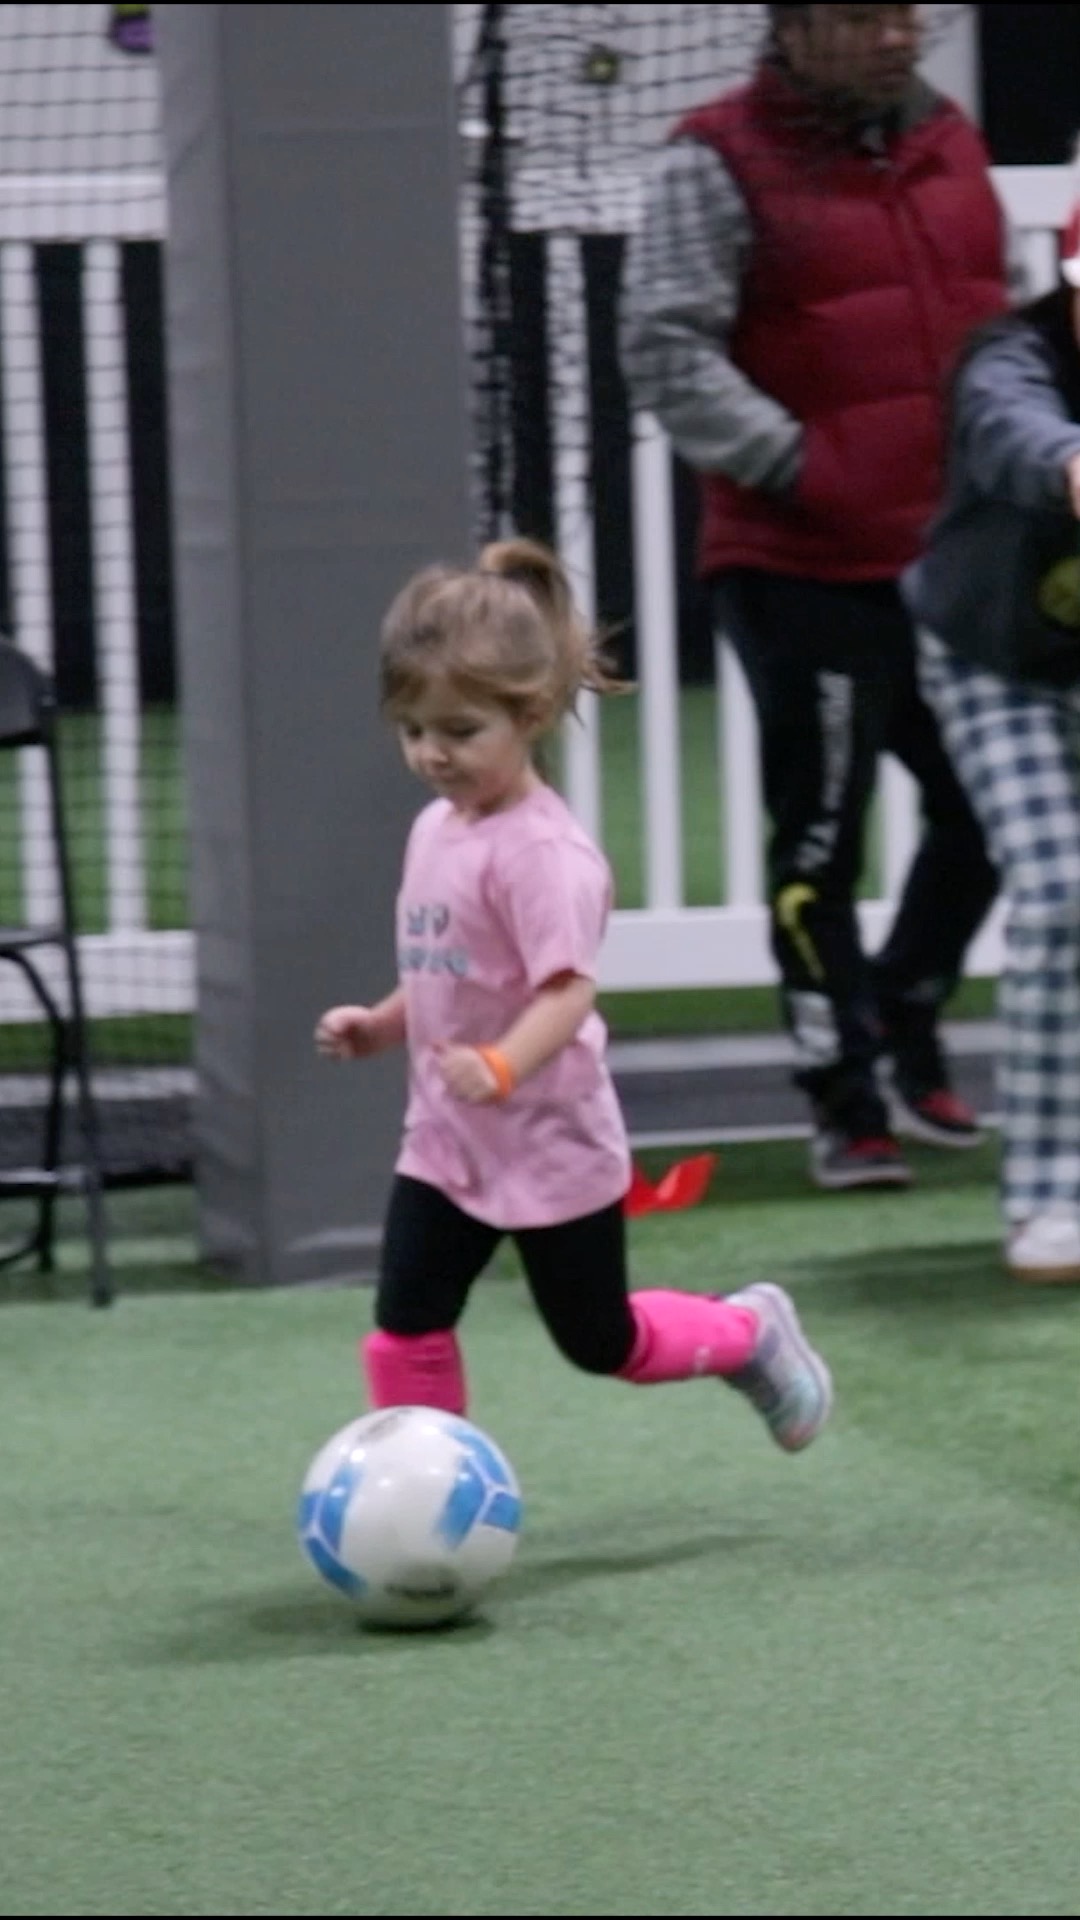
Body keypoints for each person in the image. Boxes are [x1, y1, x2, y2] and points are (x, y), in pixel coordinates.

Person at [619, 2, 1021, 1191]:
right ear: (793, 29)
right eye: (862, 18)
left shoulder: (950, 136)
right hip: (800, 569)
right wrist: (805, 466)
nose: (897, 39)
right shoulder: (715, 158)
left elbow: (991, 318)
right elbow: (665, 347)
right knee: (820, 840)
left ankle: (903, 1004)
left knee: (1000, 807)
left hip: (955, 558)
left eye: (906, 16)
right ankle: (846, 1102)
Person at [315, 537, 833, 1447]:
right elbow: (451, 971)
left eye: (461, 732)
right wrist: (382, 1024)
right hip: (446, 1140)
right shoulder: (437, 827)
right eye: (414, 731)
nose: (434, 755)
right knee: (406, 1321)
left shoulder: (544, 858)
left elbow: (565, 995)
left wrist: (502, 1065)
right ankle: (422, 1505)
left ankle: (747, 1332)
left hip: (551, 1145)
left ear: (534, 713)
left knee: (603, 1341)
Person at [902, 193, 1080, 1283]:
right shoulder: (1005, 360)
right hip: (994, 663)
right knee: (1062, 895)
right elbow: (1014, 433)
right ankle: (1051, 1197)